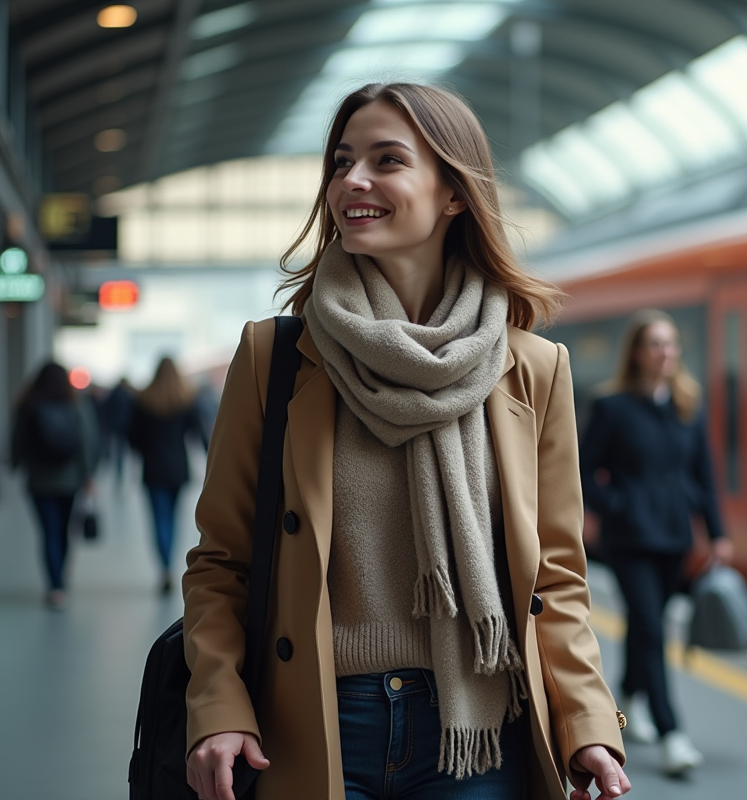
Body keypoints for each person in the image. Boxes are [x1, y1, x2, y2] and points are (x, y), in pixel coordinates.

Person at [182, 82, 630, 800]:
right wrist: (218, 706)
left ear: (454, 193)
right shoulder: (276, 357)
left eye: (386, 160)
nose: (351, 181)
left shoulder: (533, 369)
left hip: (479, 731)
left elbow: (554, 578)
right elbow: (221, 562)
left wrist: (587, 725)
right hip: (315, 724)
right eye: (341, 162)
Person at [578, 309, 732, 776]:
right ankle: (672, 734)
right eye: (655, 344)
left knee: (647, 626)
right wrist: (617, 504)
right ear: (637, 353)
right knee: (650, 626)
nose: (666, 352)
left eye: (671, 343)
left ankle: (626, 701)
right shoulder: (612, 407)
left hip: (674, 537)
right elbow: (582, 470)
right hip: (629, 538)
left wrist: (717, 533)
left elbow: (704, 475)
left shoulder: (688, 406)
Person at [8, 361, 100, 609]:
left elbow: (18, 439)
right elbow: (87, 440)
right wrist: (88, 474)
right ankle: (61, 576)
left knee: (49, 531)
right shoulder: (75, 404)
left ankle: (54, 585)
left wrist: (15, 463)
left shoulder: (28, 405)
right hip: (70, 480)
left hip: (39, 480)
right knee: (63, 530)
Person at [127, 357, 209, 594]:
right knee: (173, 519)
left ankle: (164, 567)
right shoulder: (186, 400)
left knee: (158, 519)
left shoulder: (144, 402)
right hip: (177, 468)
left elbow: (132, 437)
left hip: (153, 468)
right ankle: (170, 563)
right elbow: (199, 434)